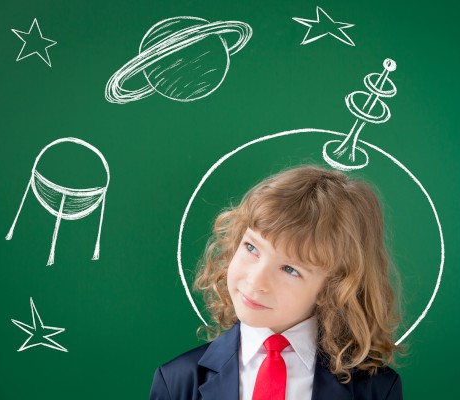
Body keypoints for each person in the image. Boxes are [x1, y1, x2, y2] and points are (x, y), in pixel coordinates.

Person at [150, 165, 403, 400]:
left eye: (290, 269)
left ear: (332, 288)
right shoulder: (178, 381)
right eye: (251, 247)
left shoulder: (376, 389)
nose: (255, 280)